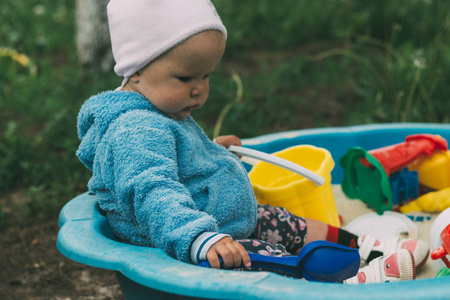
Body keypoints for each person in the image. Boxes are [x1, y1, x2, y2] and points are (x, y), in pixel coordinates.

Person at [76, 0, 428, 283]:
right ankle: (359, 278)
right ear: (135, 70)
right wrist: (199, 238)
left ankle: (362, 247)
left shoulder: (160, 106)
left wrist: (209, 149)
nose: (199, 88)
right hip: (189, 242)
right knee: (270, 262)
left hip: (218, 220)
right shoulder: (134, 130)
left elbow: (173, 158)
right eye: (186, 77)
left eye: (206, 75)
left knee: (285, 221)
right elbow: (153, 189)